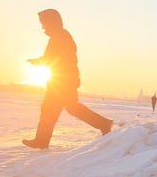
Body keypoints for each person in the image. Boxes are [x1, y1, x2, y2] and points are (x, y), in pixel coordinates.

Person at [23, 9, 113, 149]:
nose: (42, 27)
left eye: (44, 23)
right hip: (60, 80)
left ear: (52, 22)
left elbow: (56, 58)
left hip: (64, 81)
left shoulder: (61, 37)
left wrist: (38, 61)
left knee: (66, 108)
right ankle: (41, 140)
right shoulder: (59, 36)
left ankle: (104, 124)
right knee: (50, 110)